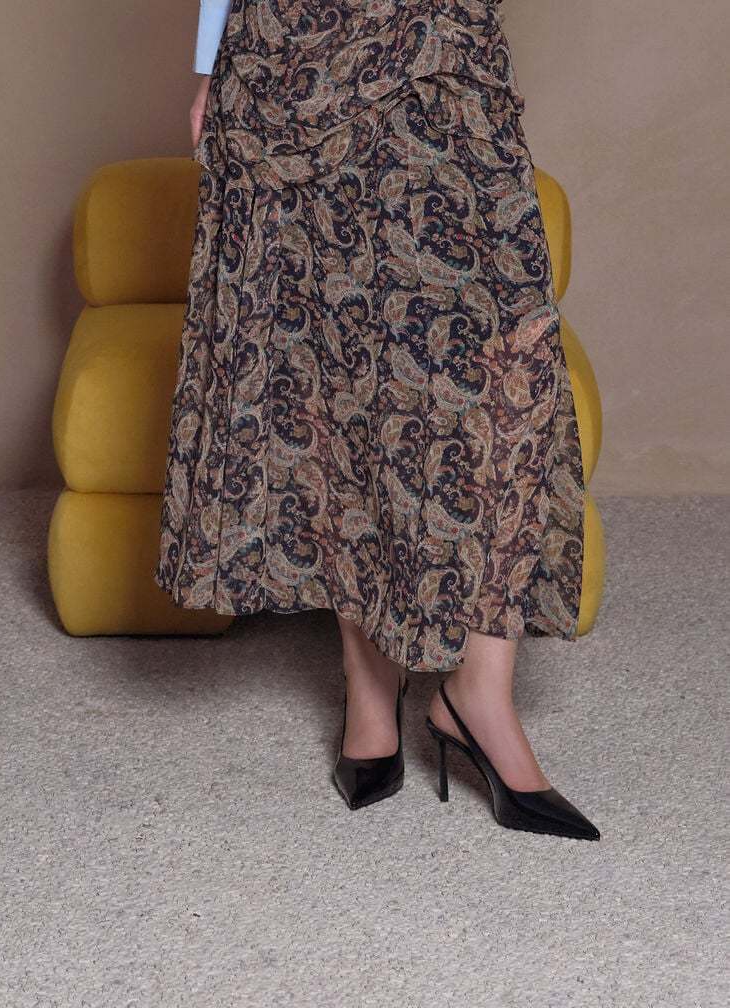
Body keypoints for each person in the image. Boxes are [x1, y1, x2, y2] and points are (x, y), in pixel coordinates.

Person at [155, 0, 601, 840]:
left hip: (443, 37)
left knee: (506, 355)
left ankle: (479, 694)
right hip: (295, 53)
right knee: (335, 356)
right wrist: (211, 60)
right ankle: (370, 684)